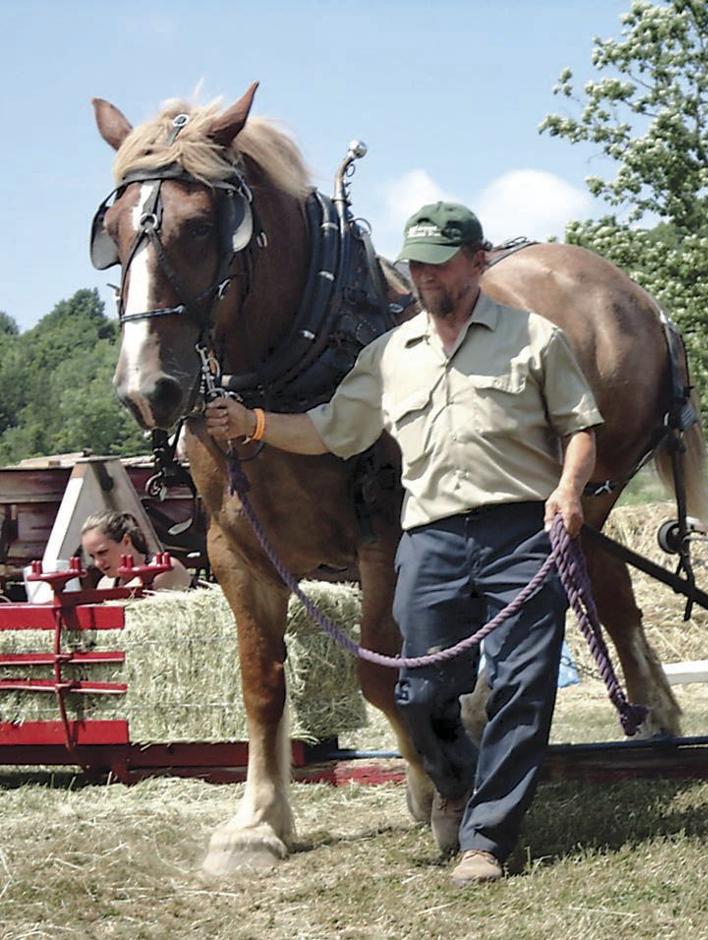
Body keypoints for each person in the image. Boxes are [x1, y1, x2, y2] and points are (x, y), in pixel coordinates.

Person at [205, 201, 601, 887]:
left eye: (440, 263)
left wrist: (568, 490)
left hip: (519, 534)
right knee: (414, 690)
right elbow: (331, 431)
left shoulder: (535, 339)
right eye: (416, 263)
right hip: (431, 538)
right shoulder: (389, 355)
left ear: (476, 261)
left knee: (522, 689)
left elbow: (581, 427)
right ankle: (456, 780)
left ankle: (485, 838)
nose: (425, 276)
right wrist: (255, 423)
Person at [80, 510, 191, 591]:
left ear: (126, 541)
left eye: (102, 552)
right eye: (92, 556)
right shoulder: (105, 584)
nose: (98, 563)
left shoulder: (164, 569)